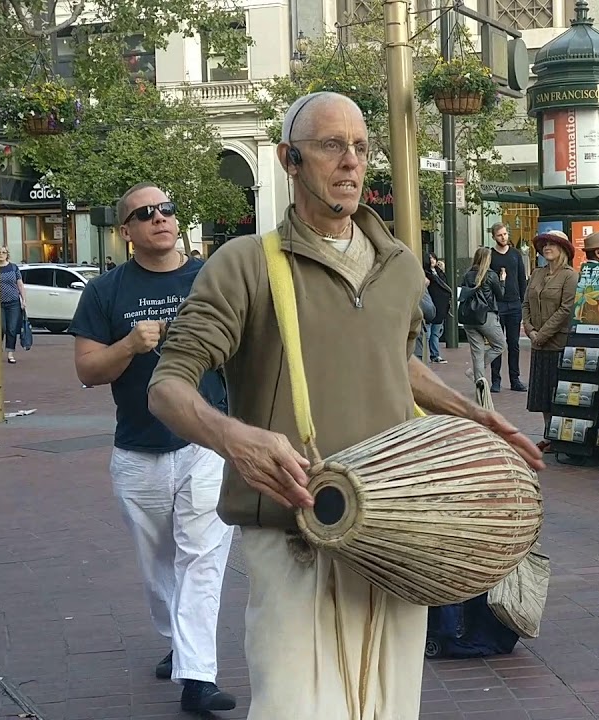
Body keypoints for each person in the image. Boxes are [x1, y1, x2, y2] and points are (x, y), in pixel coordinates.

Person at [144, 91, 543, 720]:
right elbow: (168, 386)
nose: (351, 161)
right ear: (290, 160)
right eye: (331, 145)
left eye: (360, 146)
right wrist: (234, 439)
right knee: (296, 708)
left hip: (399, 533)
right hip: (295, 532)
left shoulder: (400, 264)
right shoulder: (245, 265)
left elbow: (394, 360)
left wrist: (470, 413)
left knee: (389, 708)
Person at [69, 183, 237, 714]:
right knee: (159, 566)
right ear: (127, 231)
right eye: (145, 214)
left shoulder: (211, 279)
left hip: (205, 443)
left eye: (167, 209)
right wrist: (129, 345)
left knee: (202, 559)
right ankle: (177, 641)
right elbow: (87, 370)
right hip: (138, 452)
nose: (159, 218)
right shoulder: (105, 291)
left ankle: (198, 679)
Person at [522, 232, 578, 452]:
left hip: (557, 343)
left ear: (562, 249)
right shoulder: (537, 273)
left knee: (558, 392)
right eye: (544, 244)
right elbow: (525, 304)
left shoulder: (570, 276)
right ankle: (549, 434)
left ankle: (560, 436)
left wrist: (542, 334)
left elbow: (566, 309)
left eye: (552, 244)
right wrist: (530, 330)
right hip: (538, 343)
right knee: (543, 393)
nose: (546, 247)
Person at [487, 222, 528, 393]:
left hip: (514, 304)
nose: (503, 237)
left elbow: (522, 279)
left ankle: (515, 379)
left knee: (514, 344)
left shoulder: (515, 254)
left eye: (505, 234)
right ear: (493, 237)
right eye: (499, 235)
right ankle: (495, 380)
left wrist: (523, 302)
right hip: (497, 305)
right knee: (497, 343)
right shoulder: (490, 255)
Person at [461, 247, 507, 390]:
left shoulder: (467, 274)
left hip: (469, 318)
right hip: (487, 316)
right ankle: (474, 373)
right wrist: (503, 280)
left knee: (477, 353)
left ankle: (480, 388)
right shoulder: (491, 275)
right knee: (500, 345)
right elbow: (500, 295)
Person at [0, 247, 27, 363]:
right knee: (1, 328)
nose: (1, 254)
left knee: (12, 328)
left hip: (13, 302)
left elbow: (20, 284)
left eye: (3, 252)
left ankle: (10, 353)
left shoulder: (13, 267)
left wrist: (23, 299)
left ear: (7, 254)